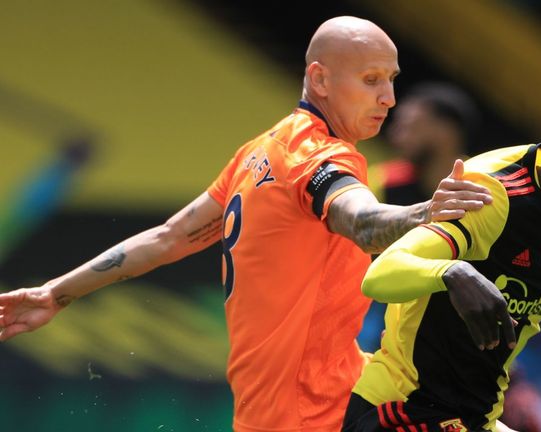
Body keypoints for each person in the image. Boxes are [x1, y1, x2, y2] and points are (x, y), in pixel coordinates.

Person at [0, 16, 494, 432]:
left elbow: (167, 238)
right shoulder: (320, 158)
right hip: (311, 413)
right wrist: (427, 212)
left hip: (313, 398)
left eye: (392, 78)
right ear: (320, 80)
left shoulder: (261, 152)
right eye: (371, 80)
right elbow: (362, 222)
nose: (388, 97)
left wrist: (55, 292)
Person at [342, 84, 541, 431]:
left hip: (469, 418)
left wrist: (513, 390)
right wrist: (454, 273)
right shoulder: (490, 195)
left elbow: (508, 329)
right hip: (403, 410)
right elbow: (380, 274)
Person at [365, 81, 541, 431]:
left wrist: (515, 379)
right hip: (392, 354)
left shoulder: (494, 192)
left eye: (409, 123)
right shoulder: (381, 187)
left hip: (475, 360)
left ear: (444, 131)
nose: (397, 133)